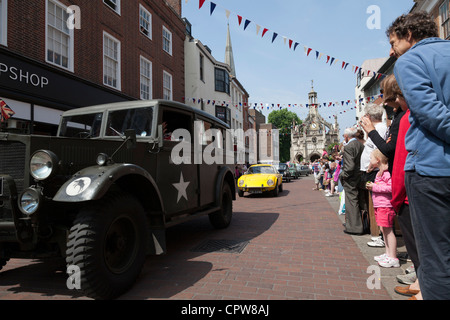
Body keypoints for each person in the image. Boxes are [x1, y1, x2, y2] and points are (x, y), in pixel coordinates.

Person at [387, 12, 450, 300]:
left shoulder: (410, 60)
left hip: (431, 171)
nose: (392, 50)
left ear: (409, 34)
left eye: (393, 42)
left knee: (436, 258)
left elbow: (429, 113)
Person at [360, 75, 406, 175]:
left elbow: (388, 149)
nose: (382, 97)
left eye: (382, 92)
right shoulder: (399, 115)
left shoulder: (403, 116)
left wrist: (371, 131)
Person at [366, 149, 399, 268]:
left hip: (385, 205)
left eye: (371, 158)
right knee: (384, 230)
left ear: (378, 160)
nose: (370, 160)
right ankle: (388, 253)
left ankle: (393, 257)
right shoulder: (380, 172)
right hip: (380, 205)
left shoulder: (386, 173)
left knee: (388, 231)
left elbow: (391, 188)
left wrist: (374, 187)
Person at [340, 127, 365, 235]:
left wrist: (343, 175)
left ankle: (354, 227)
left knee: (351, 202)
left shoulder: (349, 146)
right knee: (361, 201)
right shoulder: (361, 145)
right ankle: (364, 224)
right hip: (360, 176)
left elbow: (349, 166)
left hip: (351, 178)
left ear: (346, 136)